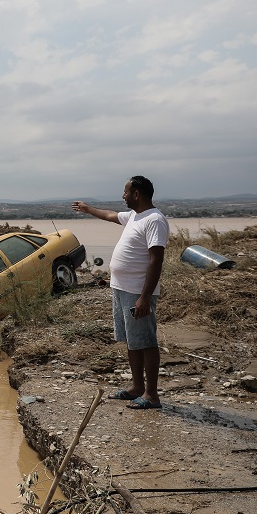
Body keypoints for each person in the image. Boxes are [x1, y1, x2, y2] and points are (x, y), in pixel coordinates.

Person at [72, 176, 169, 410]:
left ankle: (152, 395)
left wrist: (145, 296)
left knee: (145, 341)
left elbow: (156, 260)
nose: (123, 195)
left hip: (137, 291)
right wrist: (87, 209)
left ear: (137, 194)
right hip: (121, 289)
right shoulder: (134, 216)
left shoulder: (154, 220)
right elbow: (109, 215)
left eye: (126, 192)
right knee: (132, 341)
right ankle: (136, 387)